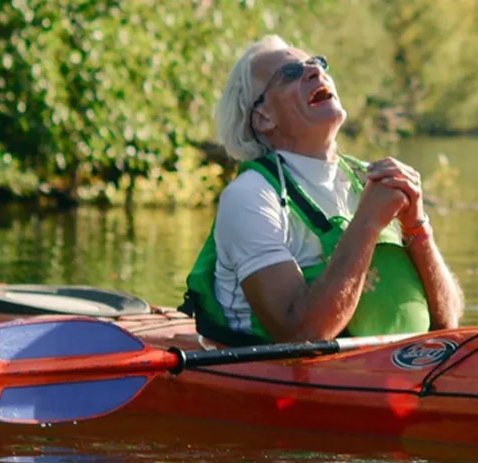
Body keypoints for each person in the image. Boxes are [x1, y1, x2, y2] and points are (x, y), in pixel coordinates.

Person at [182, 36, 463, 345]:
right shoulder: (250, 196)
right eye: (289, 74)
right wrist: (367, 223)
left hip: (395, 369)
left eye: (316, 63)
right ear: (264, 118)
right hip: (275, 376)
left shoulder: (370, 178)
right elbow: (298, 332)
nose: (315, 72)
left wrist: (417, 229)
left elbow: (447, 322)